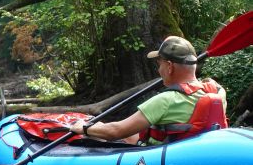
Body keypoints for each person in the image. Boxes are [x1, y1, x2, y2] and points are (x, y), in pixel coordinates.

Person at [68, 36, 227, 144]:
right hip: (190, 154)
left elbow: (116, 131)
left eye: (160, 64)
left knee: (103, 134)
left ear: (170, 67)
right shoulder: (215, 95)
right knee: (120, 131)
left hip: (159, 158)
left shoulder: (166, 101)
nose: (159, 70)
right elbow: (221, 91)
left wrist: (83, 128)